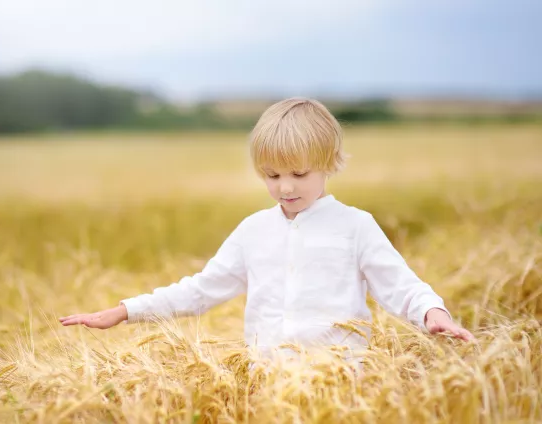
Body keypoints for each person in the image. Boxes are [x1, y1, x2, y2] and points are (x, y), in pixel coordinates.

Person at [59, 98, 475, 369]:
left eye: (298, 173)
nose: (285, 188)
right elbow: (200, 290)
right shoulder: (252, 231)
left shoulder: (355, 227)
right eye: (272, 175)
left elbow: (400, 287)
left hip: (343, 391)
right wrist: (125, 310)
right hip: (267, 391)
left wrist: (432, 314)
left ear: (329, 162)